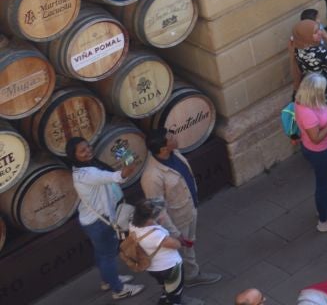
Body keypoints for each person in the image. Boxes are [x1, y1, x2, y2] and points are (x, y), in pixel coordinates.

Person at [140, 127, 218, 288]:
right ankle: (175, 289)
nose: (175, 137)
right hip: (177, 220)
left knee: (190, 245)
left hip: (189, 208)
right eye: (170, 137)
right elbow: (158, 209)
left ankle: (191, 274)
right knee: (175, 254)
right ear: (163, 148)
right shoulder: (151, 176)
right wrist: (174, 233)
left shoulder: (174, 153)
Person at [69, 136, 143, 299]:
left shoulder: (83, 168)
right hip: (99, 222)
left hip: (91, 220)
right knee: (108, 256)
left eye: (88, 147)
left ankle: (108, 281)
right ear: (74, 155)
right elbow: (123, 174)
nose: (88, 151)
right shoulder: (89, 173)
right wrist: (126, 155)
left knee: (102, 254)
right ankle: (119, 290)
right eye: (82, 151)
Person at [292, 71, 327, 230]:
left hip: (326, 148)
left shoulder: (310, 100)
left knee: (326, 181)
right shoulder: (305, 112)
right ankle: (324, 221)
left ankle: (326, 205)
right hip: (320, 152)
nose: (325, 92)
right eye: (322, 89)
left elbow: (320, 110)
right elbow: (316, 137)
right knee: (323, 184)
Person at [126, 197, 185, 305]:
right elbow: (177, 244)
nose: (164, 214)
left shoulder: (132, 225)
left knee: (166, 286)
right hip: (170, 268)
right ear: (151, 218)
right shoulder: (156, 235)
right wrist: (161, 223)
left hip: (153, 268)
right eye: (163, 213)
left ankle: (166, 297)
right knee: (175, 294)